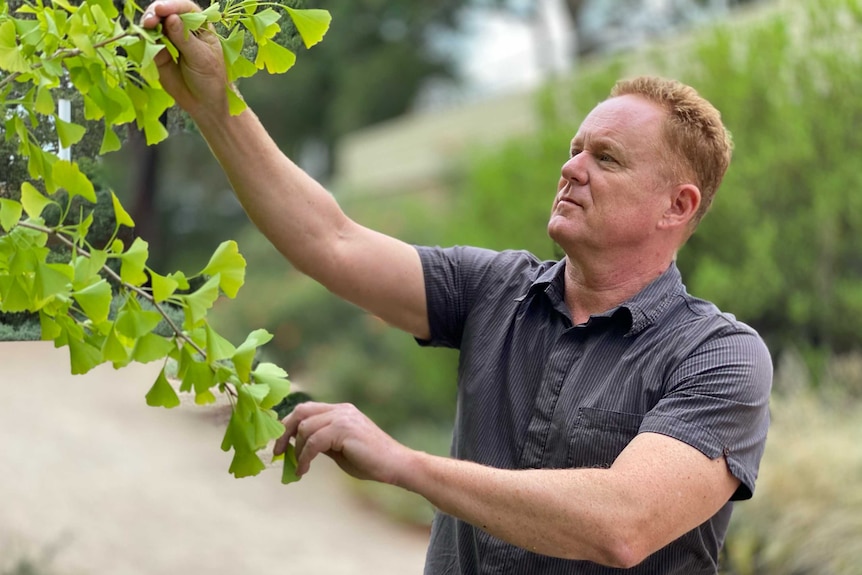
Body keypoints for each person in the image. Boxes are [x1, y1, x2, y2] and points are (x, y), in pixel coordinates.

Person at [141, 2, 772, 573]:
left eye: (605, 159)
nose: (570, 168)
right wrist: (213, 102)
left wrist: (401, 462)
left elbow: (623, 523)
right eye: (575, 149)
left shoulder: (719, 357)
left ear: (676, 206)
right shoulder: (495, 288)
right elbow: (328, 240)